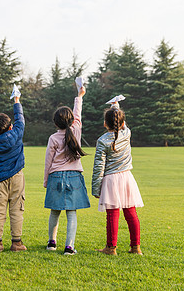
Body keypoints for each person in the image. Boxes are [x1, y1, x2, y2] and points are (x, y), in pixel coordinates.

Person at [92, 103, 144, 255]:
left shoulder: (102, 141)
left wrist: (96, 189)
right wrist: (117, 107)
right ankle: (136, 247)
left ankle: (111, 248)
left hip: (111, 180)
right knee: (131, 213)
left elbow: (98, 167)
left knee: (112, 214)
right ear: (122, 123)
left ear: (104, 123)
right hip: (127, 177)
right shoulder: (126, 133)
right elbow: (122, 124)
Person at [43, 86, 90, 255]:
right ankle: (69, 247)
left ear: (56, 123)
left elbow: (48, 161)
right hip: (74, 177)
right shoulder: (76, 131)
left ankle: (51, 243)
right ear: (71, 121)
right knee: (71, 213)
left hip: (55, 176)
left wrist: (45, 181)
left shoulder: (53, 138)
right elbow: (78, 113)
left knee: (54, 211)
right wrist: (79, 96)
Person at [0, 95, 26, 252]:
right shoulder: (16, 133)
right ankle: (16, 243)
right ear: (10, 127)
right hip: (17, 177)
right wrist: (16, 102)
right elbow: (20, 119)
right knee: (17, 210)